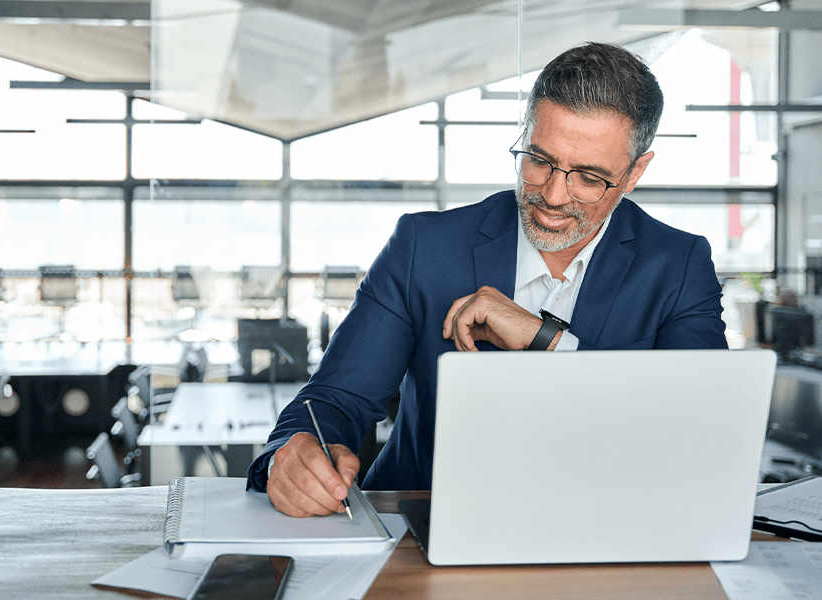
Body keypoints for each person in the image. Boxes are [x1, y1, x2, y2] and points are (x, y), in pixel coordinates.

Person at [246, 41, 728, 518]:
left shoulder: (678, 265)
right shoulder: (424, 248)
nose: (554, 195)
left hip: (605, 532)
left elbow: (698, 434)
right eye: (539, 159)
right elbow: (335, 399)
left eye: (588, 176)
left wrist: (547, 342)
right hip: (418, 532)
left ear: (636, 170)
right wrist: (288, 457)